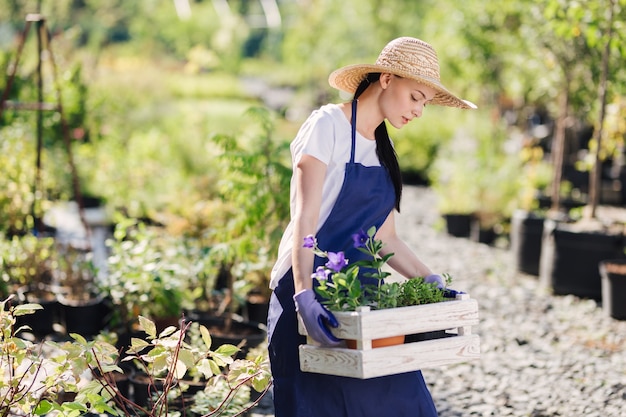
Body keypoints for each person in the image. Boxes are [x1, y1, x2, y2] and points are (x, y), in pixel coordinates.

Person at [267, 36, 476, 417]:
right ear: (386, 79)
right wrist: (303, 295)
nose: (419, 112)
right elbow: (305, 219)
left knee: (403, 402)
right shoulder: (326, 126)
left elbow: (385, 238)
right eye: (415, 97)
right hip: (311, 298)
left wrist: (430, 281)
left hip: (362, 303)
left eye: (425, 104)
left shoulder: (383, 150)